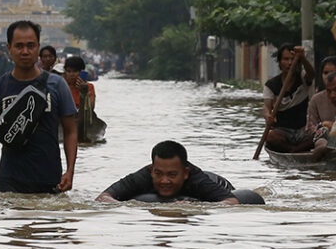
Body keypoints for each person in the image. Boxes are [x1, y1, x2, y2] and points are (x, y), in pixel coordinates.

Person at [0, 20, 77, 194]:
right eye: (19, 46)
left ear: (38, 47)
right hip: (10, 180)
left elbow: (71, 131)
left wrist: (70, 171)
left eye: (30, 46)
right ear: (9, 48)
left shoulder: (57, 85)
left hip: (50, 178)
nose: (25, 51)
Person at [96, 140, 255, 204]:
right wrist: (126, 207)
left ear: (185, 173)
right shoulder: (143, 176)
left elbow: (232, 201)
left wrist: (197, 207)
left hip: (217, 182)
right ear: (152, 170)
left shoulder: (197, 179)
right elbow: (103, 197)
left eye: (172, 175)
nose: (164, 181)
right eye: (159, 174)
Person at [263, 44, 316, 152]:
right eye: (286, 59)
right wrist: (268, 115)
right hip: (282, 132)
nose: (290, 63)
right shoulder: (271, 85)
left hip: (302, 130)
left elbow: (312, 74)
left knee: (320, 134)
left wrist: (302, 58)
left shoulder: (302, 78)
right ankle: (294, 150)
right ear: (279, 62)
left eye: (292, 59)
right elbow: (267, 107)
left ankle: (295, 150)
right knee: (271, 137)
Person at [62, 55, 106, 144]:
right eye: (69, 71)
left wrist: (84, 92)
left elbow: (91, 108)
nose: (72, 74)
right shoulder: (62, 86)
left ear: (81, 72)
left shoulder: (89, 87)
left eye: (75, 71)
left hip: (84, 117)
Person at [306, 55, 336, 139]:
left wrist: (332, 126)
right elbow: (310, 128)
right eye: (325, 73)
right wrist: (323, 127)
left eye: (333, 73)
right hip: (322, 138)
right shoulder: (316, 99)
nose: (328, 76)